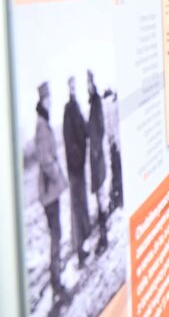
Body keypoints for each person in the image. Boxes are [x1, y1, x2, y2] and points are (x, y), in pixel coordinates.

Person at [35, 82, 67, 302]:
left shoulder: (43, 123)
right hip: (49, 193)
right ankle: (56, 283)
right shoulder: (41, 126)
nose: (52, 101)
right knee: (56, 236)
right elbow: (45, 160)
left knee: (57, 234)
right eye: (49, 98)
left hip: (49, 193)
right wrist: (57, 174)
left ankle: (55, 278)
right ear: (43, 100)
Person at [63, 76, 90, 267]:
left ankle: (82, 247)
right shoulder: (67, 109)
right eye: (71, 86)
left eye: (75, 85)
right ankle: (79, 251)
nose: (74, 89)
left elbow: (83, 130)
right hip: (75, 169)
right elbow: (69, 139)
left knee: (82, 206)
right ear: (68, 88)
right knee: (77, 208)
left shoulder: (77, 107)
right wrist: (77, 160)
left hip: (79, 168)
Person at [87, 72, 109, 255]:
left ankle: (104, 238)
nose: (88, 87)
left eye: (89, 83)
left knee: (101, 197)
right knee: (99, 197)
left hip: (98, 159)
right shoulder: (92, 104)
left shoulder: (97, 103)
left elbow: (100, 128)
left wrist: (96, 150)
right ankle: (103, 235)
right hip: (95, 161)